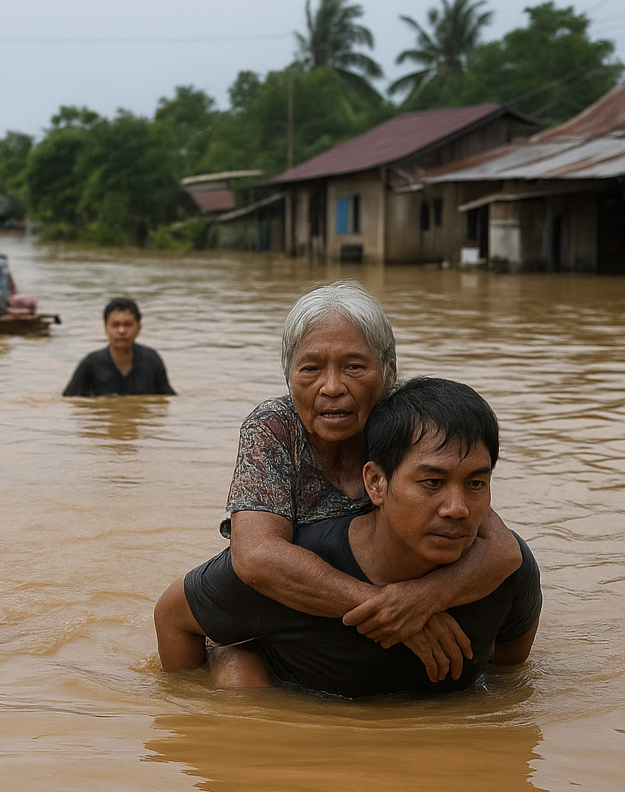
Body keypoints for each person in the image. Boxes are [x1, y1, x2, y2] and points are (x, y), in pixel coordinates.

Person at [154, 280, 523, 682]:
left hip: (378, 594)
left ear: (388, 373)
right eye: (311, 369)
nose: (332, 388)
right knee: (238, 674)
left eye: (354, 367)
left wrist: (423, 599)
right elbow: (256, 557)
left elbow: (500, 549)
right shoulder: (276, 428)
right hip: (288, 603)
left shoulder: (407, 426)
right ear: (288, 376)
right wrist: (389, 608)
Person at [62, 298, 174, 397]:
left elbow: (167, 399)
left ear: (139, 328)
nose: (121, 331)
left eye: (128, 325)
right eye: (115, 325)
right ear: (106, 328)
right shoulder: (91, 363)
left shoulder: (151, 360)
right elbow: (69, 402)